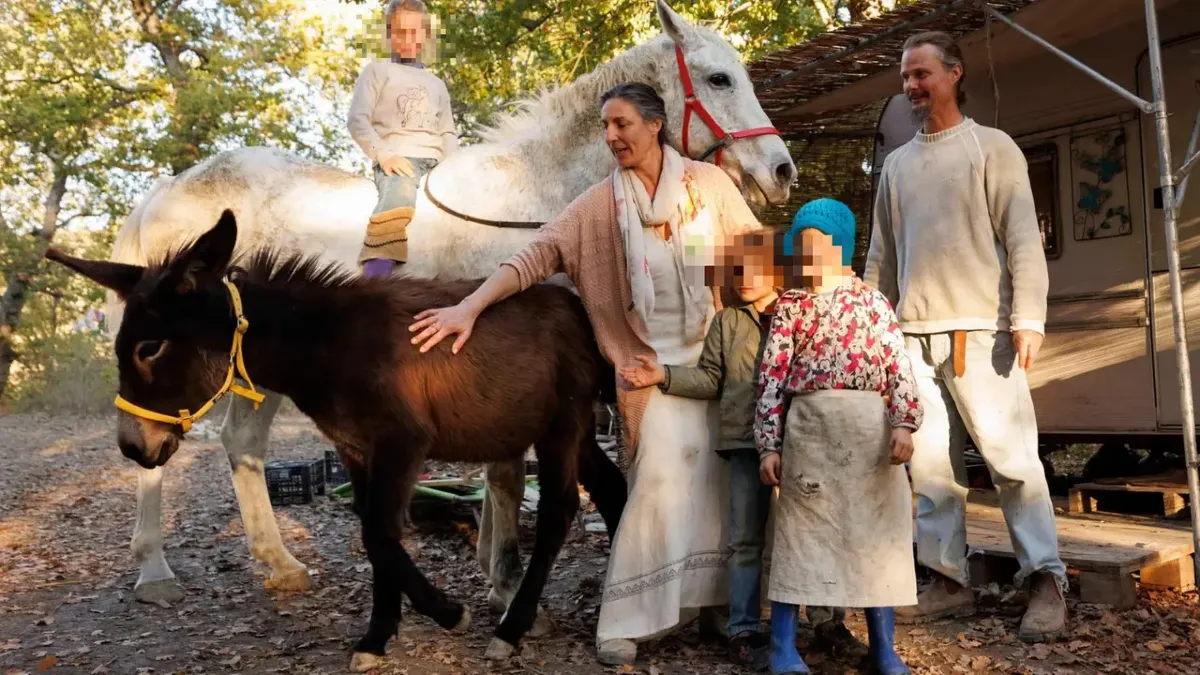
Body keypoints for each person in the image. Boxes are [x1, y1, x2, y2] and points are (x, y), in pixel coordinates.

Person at [408, 82, 763, 665]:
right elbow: (535, 256)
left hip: (716, 359)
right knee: (657, 484)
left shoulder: (709, 185)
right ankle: (630, 617)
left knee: (717, 488)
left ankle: (713, 606)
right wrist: (468, 307)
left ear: (655, 125)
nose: (611, 136)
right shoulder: (600, 205)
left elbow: (757, 252)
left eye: (622, 124)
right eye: (606, 127)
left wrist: (813, 302)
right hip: (644, 366)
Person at [864, 30, 1067, 642]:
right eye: (906, 77)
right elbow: (880, 257)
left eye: (922, 74)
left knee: (1012, 463)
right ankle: (948, 579)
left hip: (983, 333)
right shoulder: (897, 165)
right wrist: (872, 331)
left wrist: (1028, 318)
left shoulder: (991, 147)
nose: (912, 86)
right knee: (930, 470)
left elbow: (1023, 238)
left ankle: (1046, 580)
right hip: (912, 338)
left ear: (954, 73)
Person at [618, 229, 867, 667]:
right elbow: (711, 378)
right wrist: (663, 375)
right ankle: (743, 630)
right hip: (745, 442)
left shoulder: (806, 310)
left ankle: (828, 624)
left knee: (817, 534)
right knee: (745, 541)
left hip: (805, 439)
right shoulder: (728, 322)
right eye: (738, 269)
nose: (746, 277)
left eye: (756, 267)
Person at [755, 198, 921, 675]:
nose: (806, 255)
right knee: (800, 536)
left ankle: (883, 648)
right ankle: (782, 647)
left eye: (817, 246)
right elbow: (771, 377)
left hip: (869, 437)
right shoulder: (791, 306)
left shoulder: (874, 303)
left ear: (842, 249)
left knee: (875, 535)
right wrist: (768, 444)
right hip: (810, 433)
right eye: (801, 246)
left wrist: (904, 422)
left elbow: (898, 366)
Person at [347, 0, 459, 278]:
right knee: (400, 196)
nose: (407, 39)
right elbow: (357, 120)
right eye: (400, 32)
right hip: (400, 160)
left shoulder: (437, 84)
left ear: (425, 34)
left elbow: (447, 131)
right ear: (389, 34)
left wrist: (453, 165)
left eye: (414, 32)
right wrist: (384, 155)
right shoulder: (377, 72)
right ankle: (375, 275)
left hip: (437, 163)